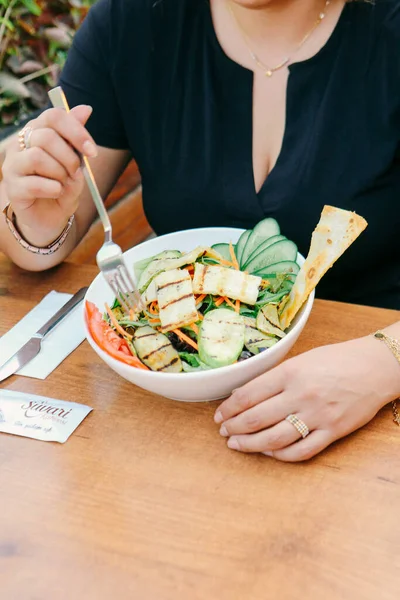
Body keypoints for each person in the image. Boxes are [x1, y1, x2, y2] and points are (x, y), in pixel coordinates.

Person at [1, 0, 400, 461]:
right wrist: (38, 220)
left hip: (373, 425)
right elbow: (36, 247)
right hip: (168, 426)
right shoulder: (133, 21)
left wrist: (381, 364)